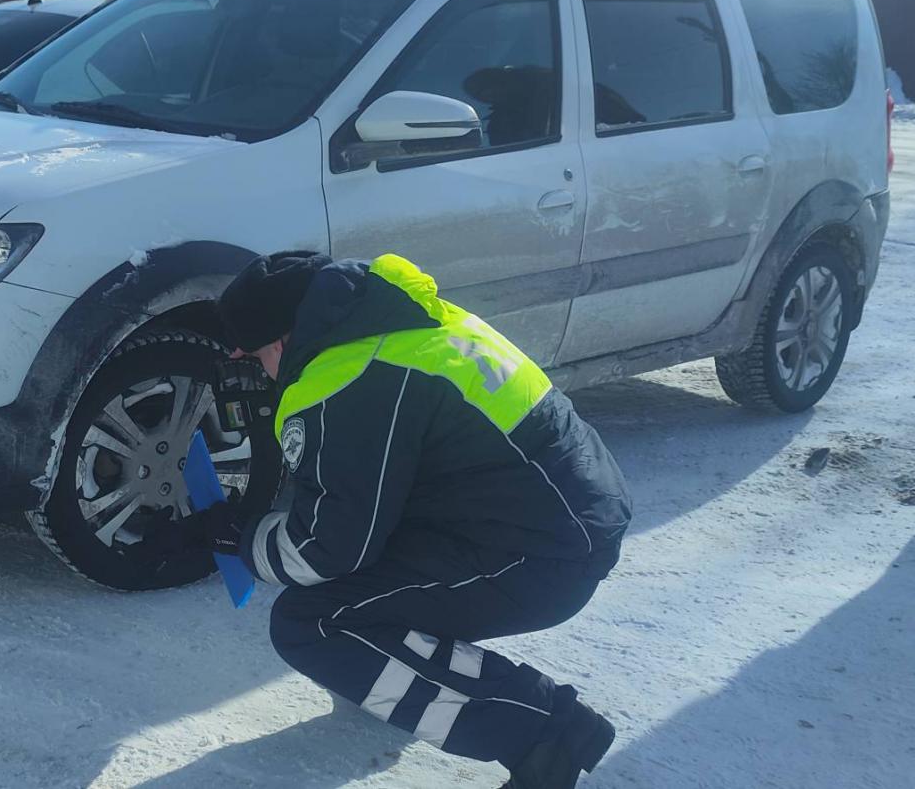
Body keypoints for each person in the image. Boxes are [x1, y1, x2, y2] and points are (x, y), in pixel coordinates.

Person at [155, 251, 632, 789]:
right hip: (567, 513)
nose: (253, 368)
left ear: (283, 342)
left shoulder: (351, 380)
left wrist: (241, 537)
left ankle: (543, 732)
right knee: (363, 578)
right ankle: (395, 677)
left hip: (542, 556)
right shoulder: (396, 321)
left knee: (311, 622)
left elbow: (324, 551)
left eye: (254, 355)